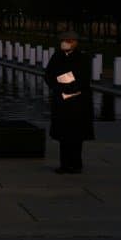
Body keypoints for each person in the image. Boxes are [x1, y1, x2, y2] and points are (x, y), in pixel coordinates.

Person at [44, 30, 94, 174]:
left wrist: (61, 80)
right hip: (61, 101)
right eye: (65, 40)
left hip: (78, 102)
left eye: (69, 41)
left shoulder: (82, 58)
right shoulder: (57, 56)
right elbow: (49, 75)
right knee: (63, 135)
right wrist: (60, 84)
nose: (66, 43)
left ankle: (76, 164)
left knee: (76, 136)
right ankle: (65, 164)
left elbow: (82, 79)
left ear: (75, 43)